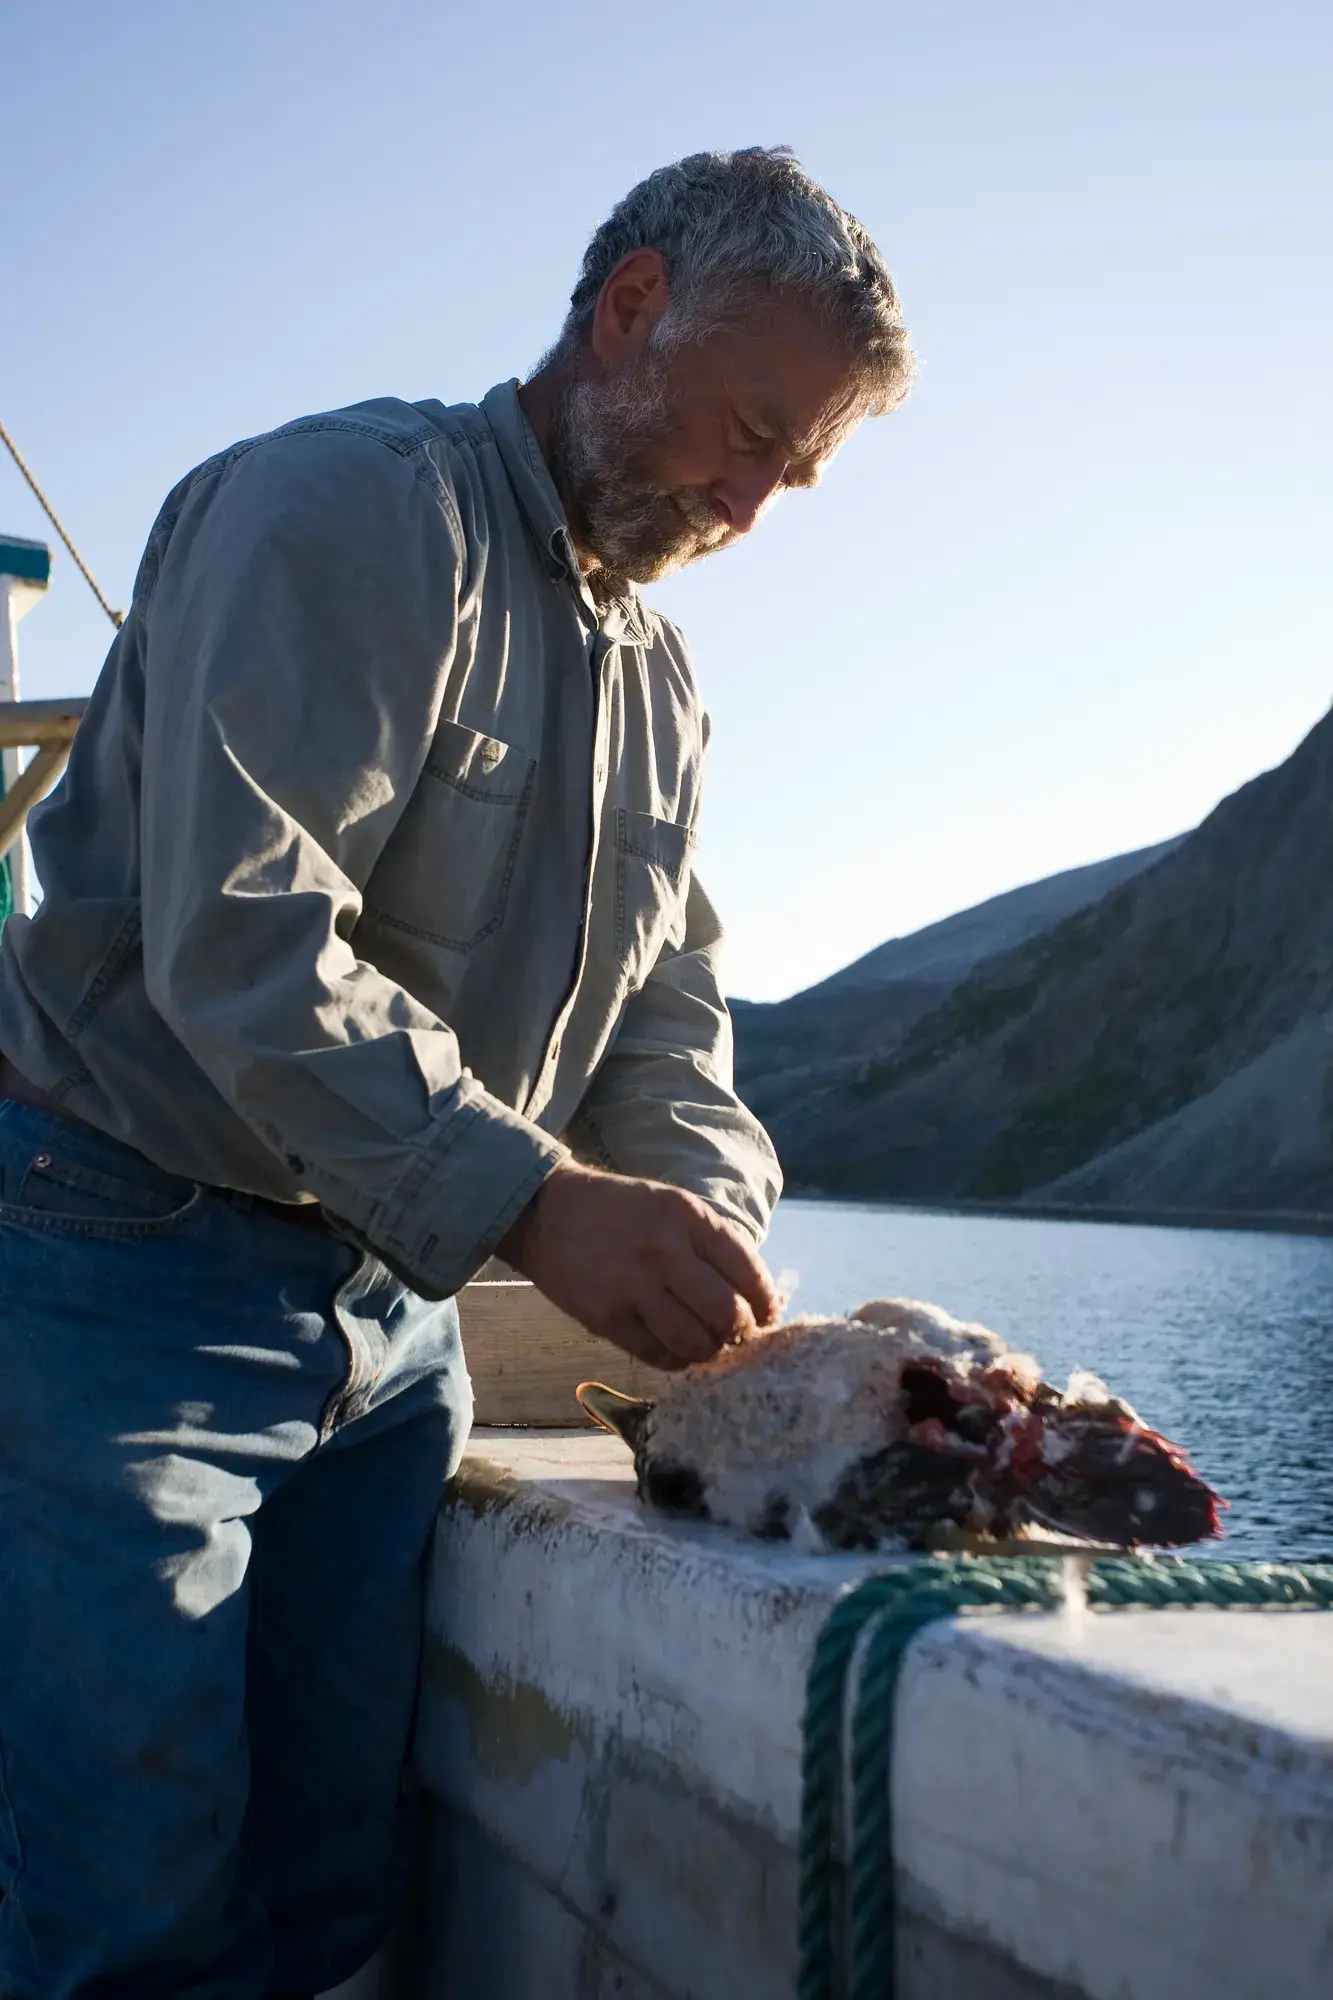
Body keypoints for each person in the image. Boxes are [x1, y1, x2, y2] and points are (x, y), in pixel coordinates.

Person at [0, 145, 912, 1996]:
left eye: (791, 474)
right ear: (630, 305)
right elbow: (242, 942)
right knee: (135, 1918)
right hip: (115, 1275)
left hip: (390, 1330)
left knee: (341, 1888)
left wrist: (704, 1227)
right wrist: (532, 1201)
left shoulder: (659, 686)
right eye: (744, 432)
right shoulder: (344, 514)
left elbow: (665, 1023)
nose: (749, 503)